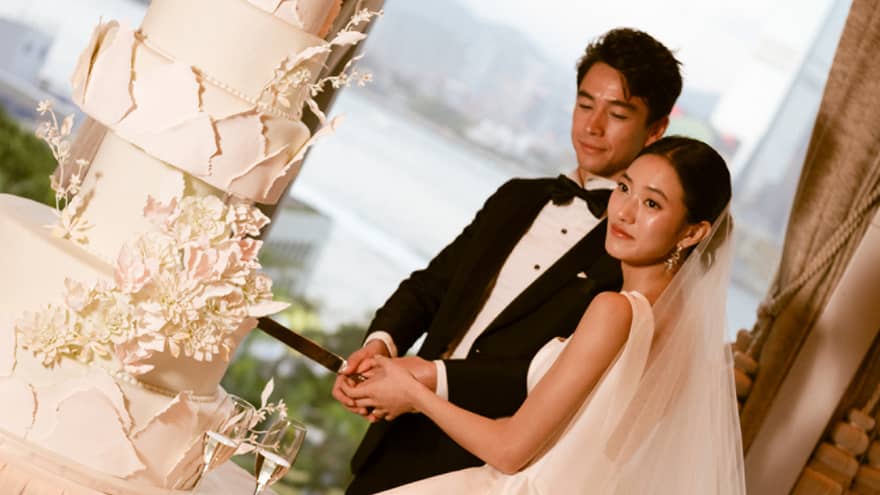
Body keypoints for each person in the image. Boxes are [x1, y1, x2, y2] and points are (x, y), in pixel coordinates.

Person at [333, 28, 683, 494]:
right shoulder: (516, 196)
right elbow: (431, 287)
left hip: (490, 469)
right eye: (584, 105)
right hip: (393, 441)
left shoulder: (633, 254)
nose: (592, 126)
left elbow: (552, 378)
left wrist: (423, 381)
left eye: (617, 114)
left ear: (655, 129)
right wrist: (381, 345)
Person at [345, 136, 745, 494]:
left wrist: (413, 390)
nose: (624, 212)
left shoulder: (615, 309)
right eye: (624, 188)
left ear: (693, 232)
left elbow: (509, 451)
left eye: (652, 203)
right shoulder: (687, 336)